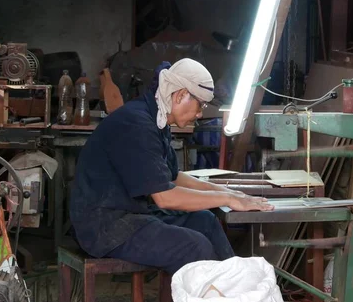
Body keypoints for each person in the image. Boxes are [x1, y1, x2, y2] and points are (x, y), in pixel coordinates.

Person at [69, 58, 273, 274]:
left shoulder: (158, 121)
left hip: (133, 215)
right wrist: (229, 199)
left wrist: (226, 191)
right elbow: (166, 197)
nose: (200, 113)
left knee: (206, 221)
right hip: (104, 226)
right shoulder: (136, 124)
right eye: (200, 104)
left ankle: (235, 290)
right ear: (180, 95)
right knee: (193, 246)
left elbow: (173, 177)